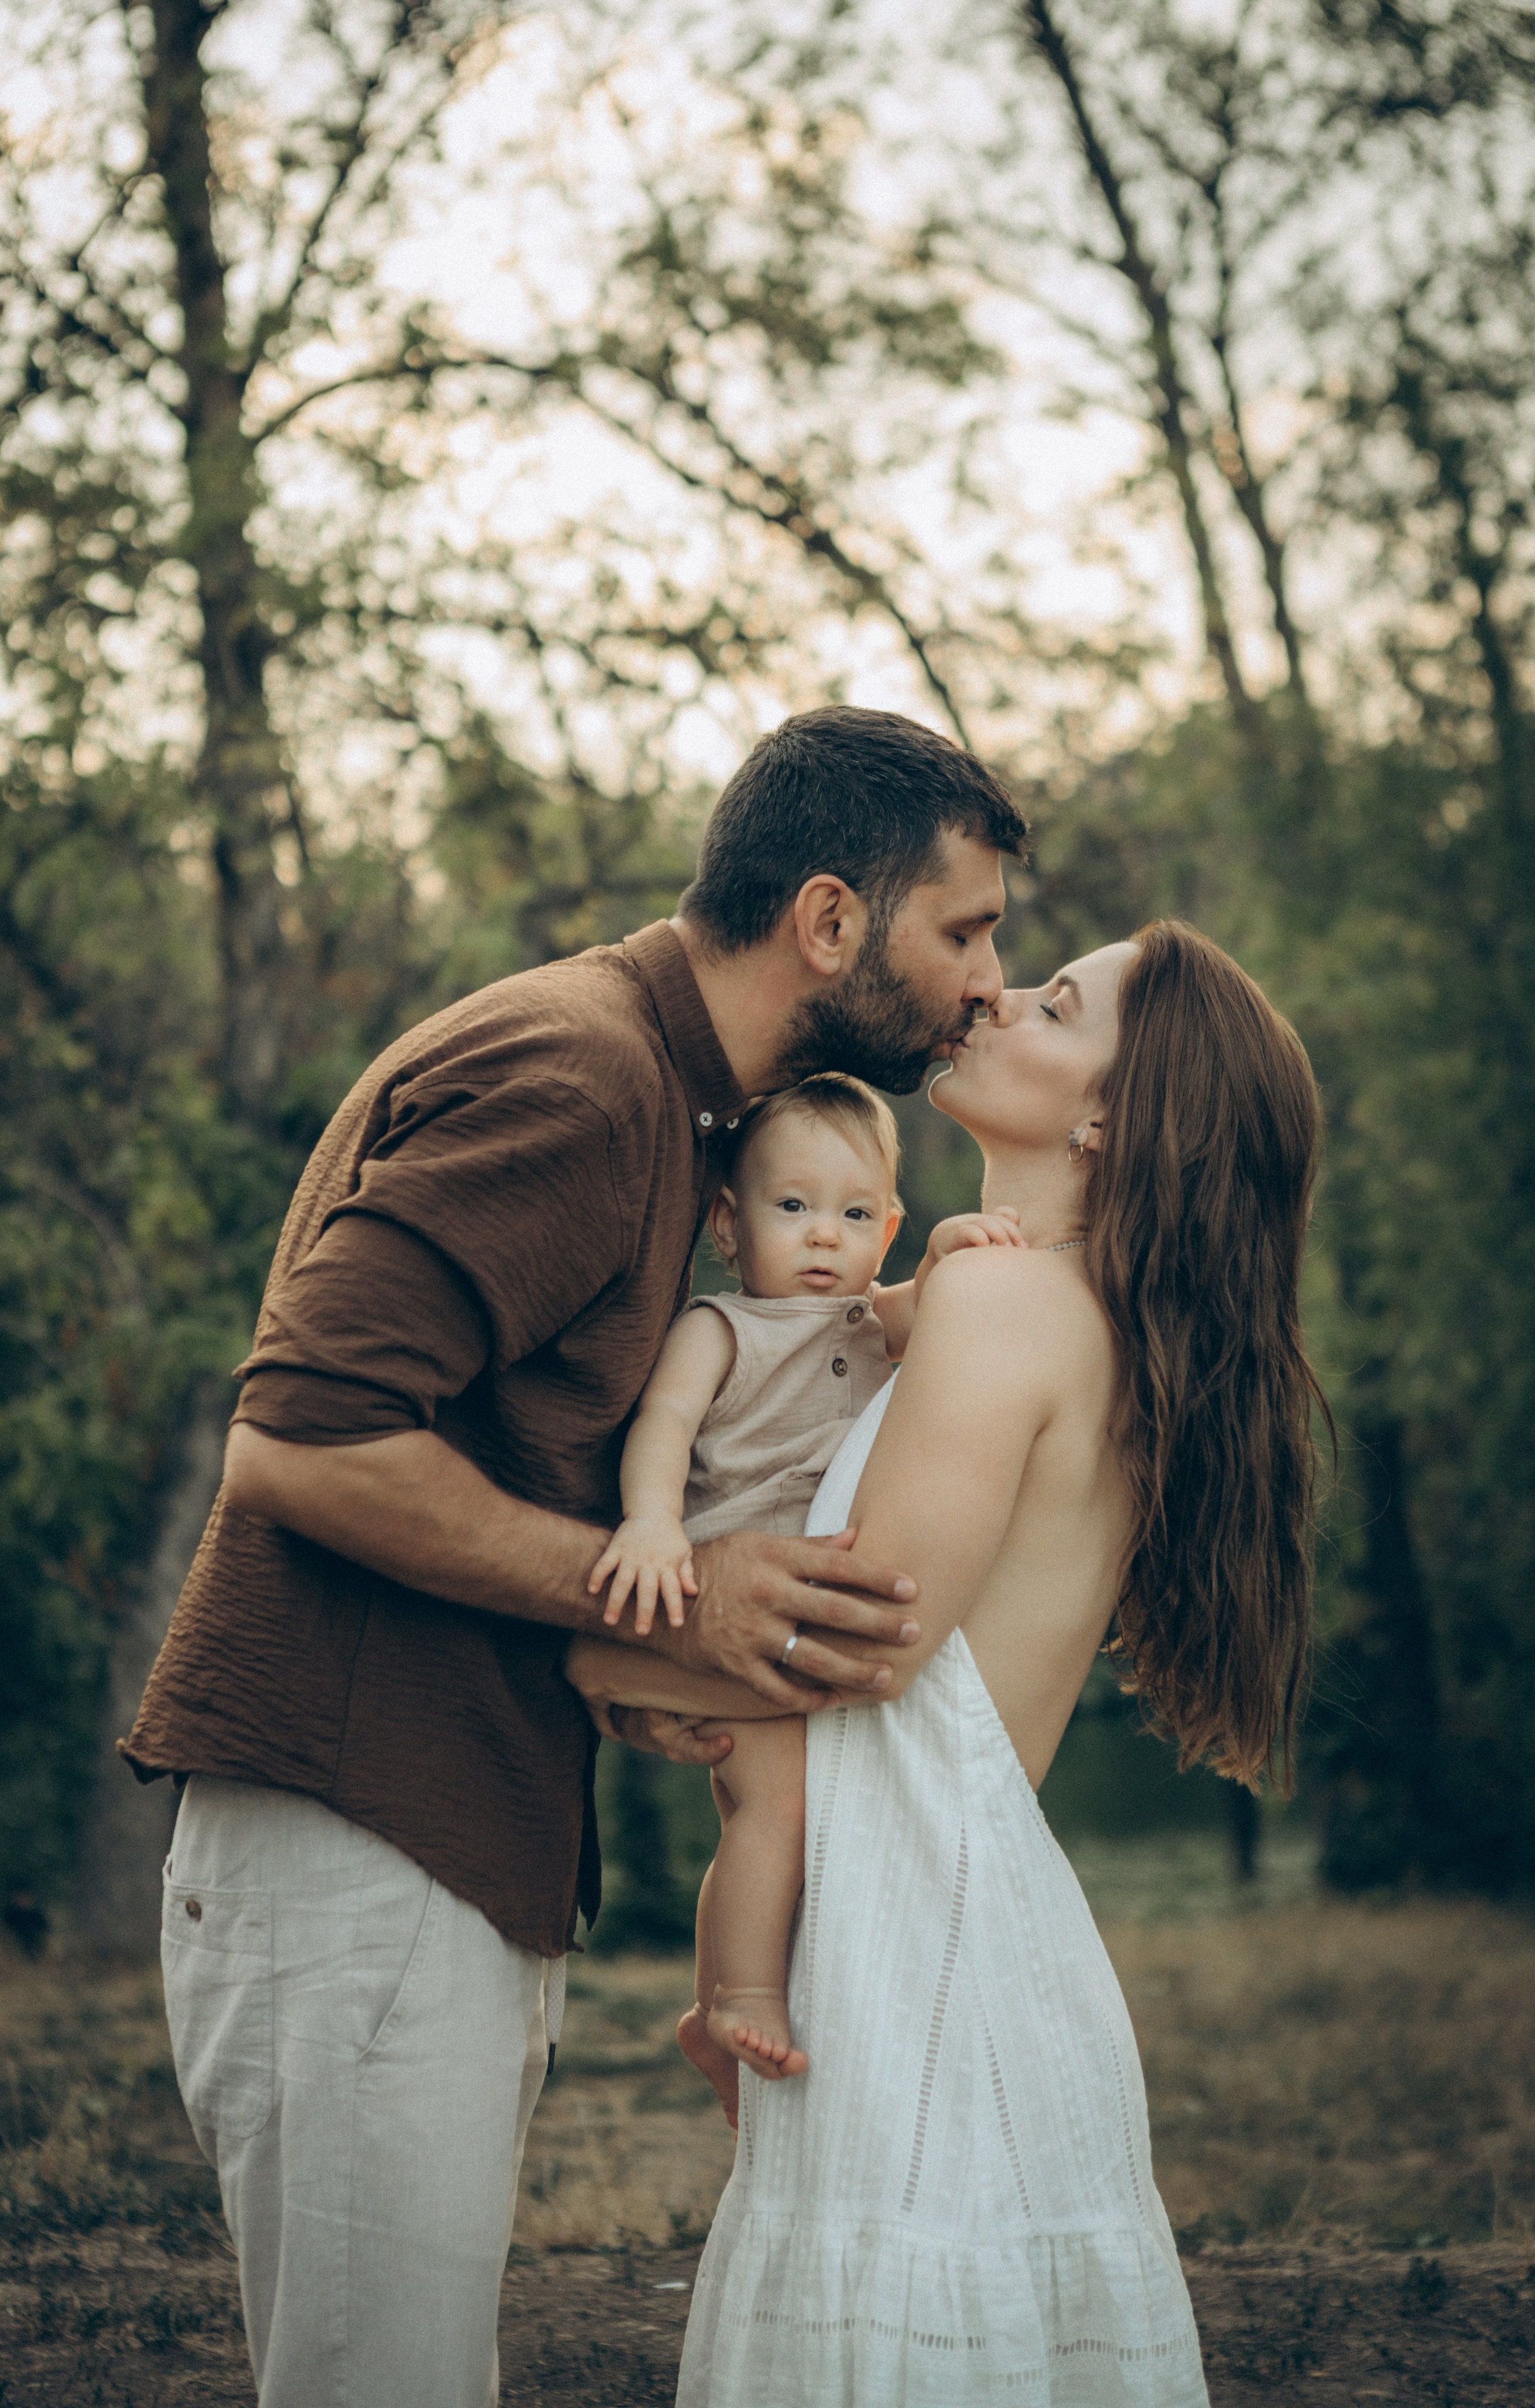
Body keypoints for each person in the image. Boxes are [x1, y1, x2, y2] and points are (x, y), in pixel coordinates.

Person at [120, 704, 1026, 2408]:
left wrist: (615, 1650)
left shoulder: (671, 1105)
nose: (987, 981)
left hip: (422, 1831)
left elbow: (485, 1441)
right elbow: (299, 1439)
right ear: (831, 921)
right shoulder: (588, 1076)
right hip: (355, 1830)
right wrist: (654, 1580)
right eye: (963, 931)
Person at [567, 919, 1325, 2405]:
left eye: (1052, 1003)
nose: (991, 991)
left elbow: (865, 1641)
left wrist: (591, 1663)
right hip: (972, 1932)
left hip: (904, 1950)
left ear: (1109, 1116)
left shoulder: (994, 1305)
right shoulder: (1066, 1315)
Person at [589, 1073, 1019, 2110]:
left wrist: (956, 1252)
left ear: (887, 1229)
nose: (825, 1236)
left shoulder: (871, 1318)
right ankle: (736, 1999)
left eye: (856, 1214)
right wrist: (650, 1522)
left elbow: (930, 1309)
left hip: (792, 1617)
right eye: (793, 1208)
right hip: (721, 1613)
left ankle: (726, 2022)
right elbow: (664, 1428)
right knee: (774, 1812)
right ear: (729, 1225)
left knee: (802, 1827)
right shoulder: (722, 1325)